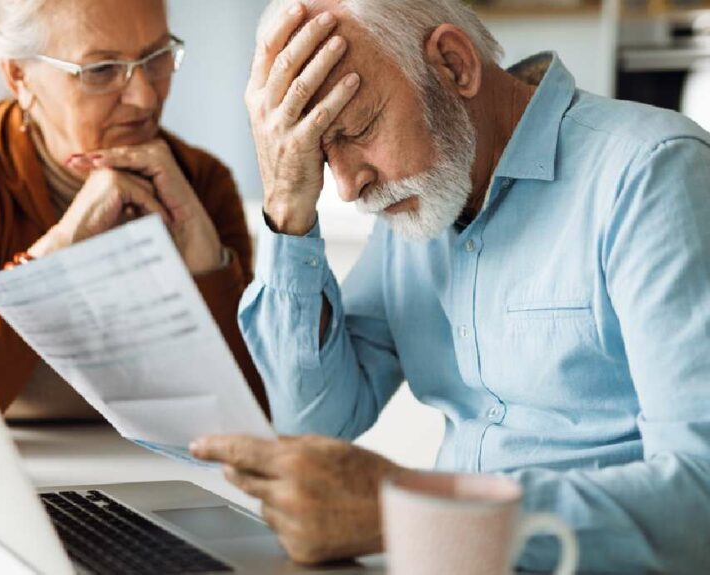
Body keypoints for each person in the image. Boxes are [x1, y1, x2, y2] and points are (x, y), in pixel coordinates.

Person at [191, 0, 710, 572]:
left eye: (359, 128)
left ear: (454, 65)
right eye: (318, 154)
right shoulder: (418, 203)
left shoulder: (650, 176)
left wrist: (413, 512)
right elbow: (313, 420)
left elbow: (699, 495)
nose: (345, 187)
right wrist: (286, 206)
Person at [0, 0, 269, 421]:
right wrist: (63, 248)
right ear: (18, 76)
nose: (143, 97)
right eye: (100, 71)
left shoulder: (201, 182)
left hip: (126, 471)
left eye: (156, 57)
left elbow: (257, 415)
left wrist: (208, 262)